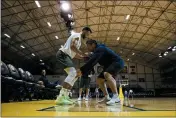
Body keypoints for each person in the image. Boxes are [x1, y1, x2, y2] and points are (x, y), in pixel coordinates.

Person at [77, 39, 124, 105]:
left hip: (117, 62)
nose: (87, 48)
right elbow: (92, 59)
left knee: (107, 74)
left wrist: (81, 70)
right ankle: (107, 97)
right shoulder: (97, 51)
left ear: (93, 44)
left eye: (88, 46)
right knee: (99, 80)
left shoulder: (100, 49)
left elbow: (92, 61)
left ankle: (116, 97)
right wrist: (85, 57)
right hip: (109, 65)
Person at [55, 27, 92, 105]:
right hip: (63, 54)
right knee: (72, 73)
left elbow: (74, 54)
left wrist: (83, 57)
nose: (87, 36)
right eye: (87, 34)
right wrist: (83, 54)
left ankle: (65, 96)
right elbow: (72, 47)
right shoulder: (77, 36)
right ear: (84, 31)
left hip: (66, 56)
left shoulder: (78, 41)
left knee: (75, 75)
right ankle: (60, 97)